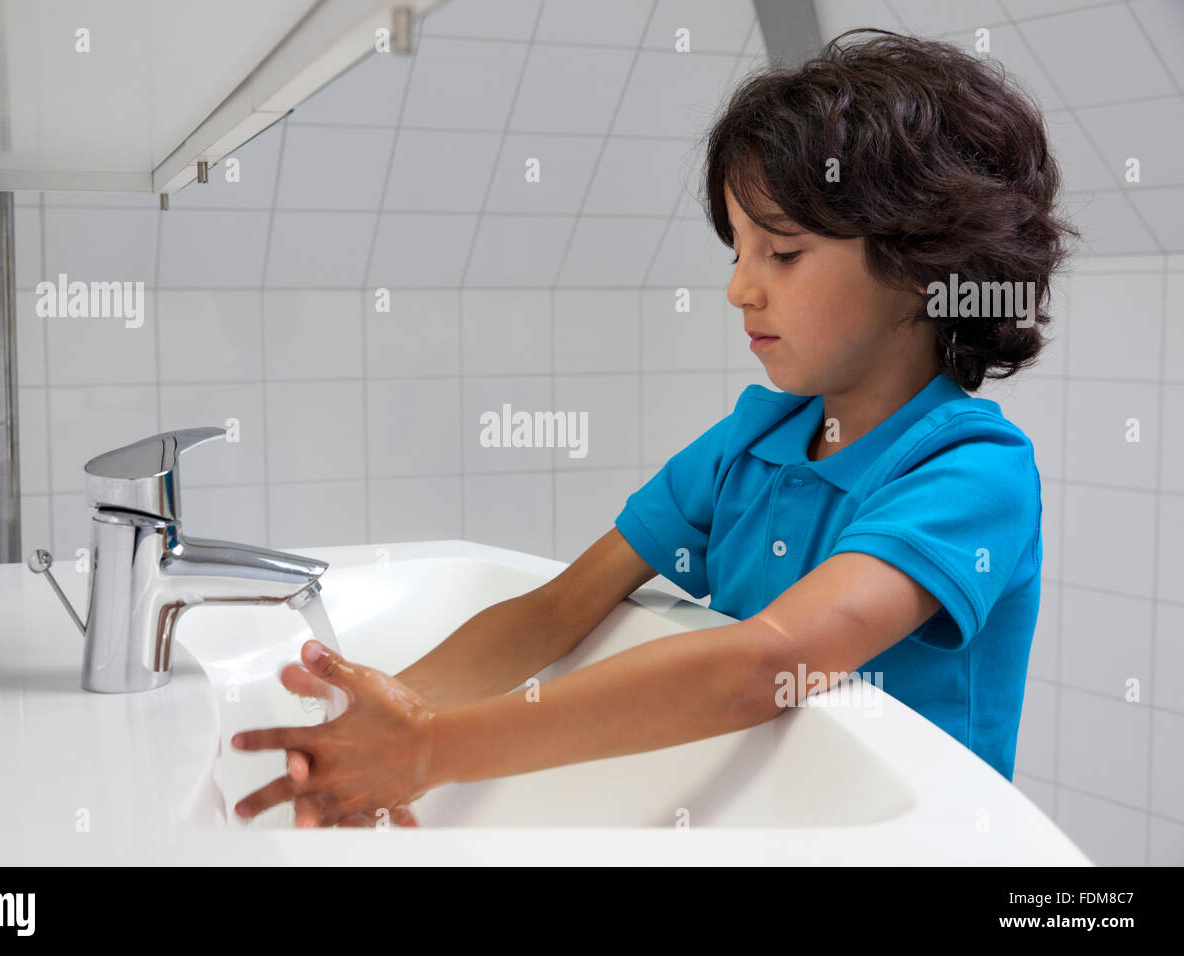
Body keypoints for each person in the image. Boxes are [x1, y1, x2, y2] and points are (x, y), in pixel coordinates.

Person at [233, 28, 1080, 827]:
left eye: (781, 253)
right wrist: (383, 717)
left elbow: (766, 664)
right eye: (736, 252)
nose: (740, 290)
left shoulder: (972, 473)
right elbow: (558, 609)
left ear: (923, 267)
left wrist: (431, 751)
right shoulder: (754, 441)